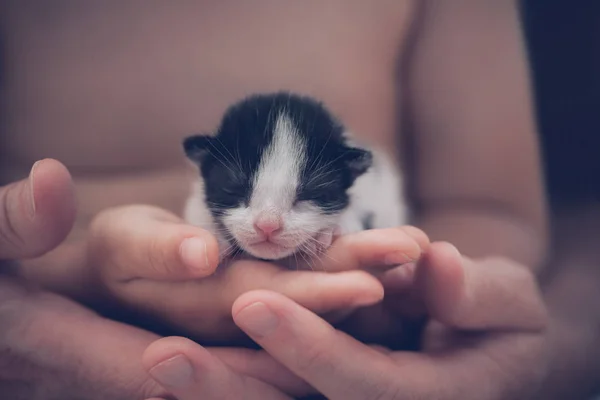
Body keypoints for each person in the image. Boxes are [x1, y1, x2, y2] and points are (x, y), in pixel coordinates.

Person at [0, 1, 577, 399]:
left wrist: (450, 331)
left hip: (374, 340)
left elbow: (489, 211)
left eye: (305, 200)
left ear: (351, 183)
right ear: (202, 167)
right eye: (242, 194)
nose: (270, 225)